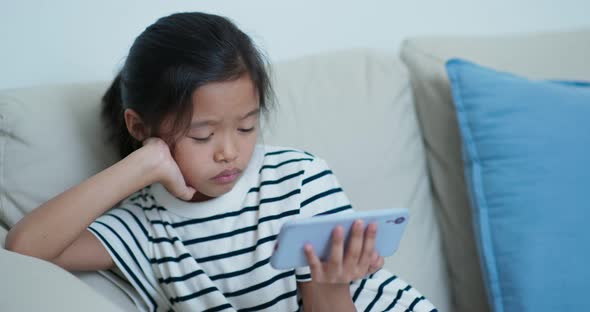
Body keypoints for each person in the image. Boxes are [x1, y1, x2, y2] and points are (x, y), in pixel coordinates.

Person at [5, 12, 437, 312]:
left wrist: (330, 285)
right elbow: (25, 249)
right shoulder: (147, 227)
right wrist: (141, 163)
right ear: (139, 126)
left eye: (247, 127)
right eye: (202, 135)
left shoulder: (299, 180)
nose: (229, 151)